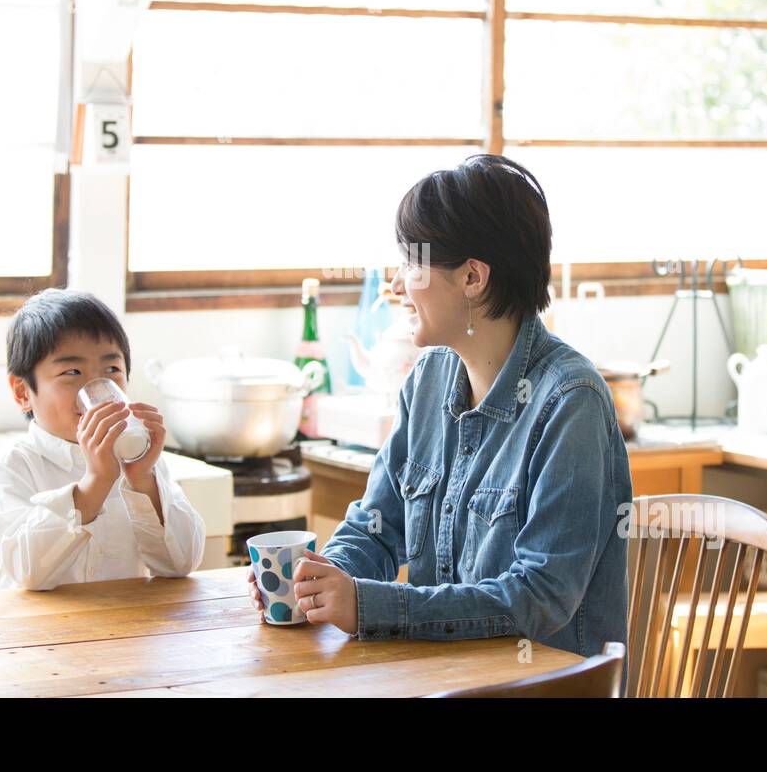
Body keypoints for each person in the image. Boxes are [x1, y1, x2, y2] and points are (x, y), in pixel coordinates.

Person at [249, 154, 631, 657]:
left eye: (411, 264)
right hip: (441, 677)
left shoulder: (570, 402)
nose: (395, 285)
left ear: (473, 278)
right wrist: (321, 581)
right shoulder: (427, 380)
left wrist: (370, 606)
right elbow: (377, 528)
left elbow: (540, 597)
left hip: (537, 687)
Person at [0, 288, 204, 590]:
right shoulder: (15, 464)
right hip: (39, 634)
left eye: (112, 370)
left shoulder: (142, 462)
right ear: (23, 393)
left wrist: (143, 482)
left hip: (124, 630)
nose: (96, 387)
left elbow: (181, 564)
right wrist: (96, 482)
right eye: (72, 371)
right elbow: (28, 572)